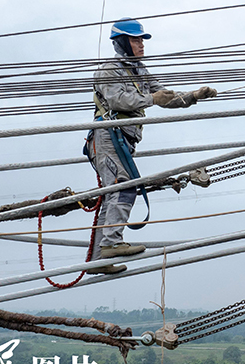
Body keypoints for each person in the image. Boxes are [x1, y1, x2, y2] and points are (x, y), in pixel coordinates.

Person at [85, 18, 217, 273]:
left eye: (142, 40)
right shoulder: (109, 69)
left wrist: (192, 96)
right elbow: (117, 100)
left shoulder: (140, 71)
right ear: (123, 42)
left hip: (123, 138)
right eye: (136, 40)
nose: (141, 45)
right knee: (123, 189)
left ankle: (97, 260)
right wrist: (150, 98)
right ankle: (112, 244)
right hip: (107, 135)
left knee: (115, 192)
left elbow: (164, 97)